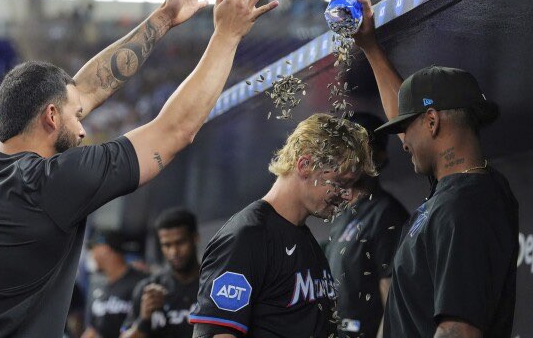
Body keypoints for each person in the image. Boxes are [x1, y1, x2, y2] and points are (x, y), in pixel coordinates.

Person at [0, 0, 278, 337]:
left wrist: (164, 17)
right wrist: (228, 35)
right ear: (51, 116)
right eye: (76, 115)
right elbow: (176, 130)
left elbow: (83, 89)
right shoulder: (51, 184)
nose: (84, 127)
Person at [346, 0, 519, 337]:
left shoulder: (467, 206)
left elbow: (458, 330)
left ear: (432, 121)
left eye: (406, 128)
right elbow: (407, 112)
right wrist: (370, 47)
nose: (401, 140)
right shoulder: (454, 188)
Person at [189, 113, 378, 338]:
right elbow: (217, 333)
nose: (346, 195)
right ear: (305, 165)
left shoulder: (306, 240)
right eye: (340, 183)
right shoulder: (246, 237)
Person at [324, 113, 408, 338]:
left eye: (356, 147)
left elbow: (394, 308)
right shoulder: (341, 215)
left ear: (378, 157)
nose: (345, 156)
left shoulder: (387, 215)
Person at [121, 208, 200, 338]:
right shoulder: (148, 289)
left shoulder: (212, 284)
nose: (174, 252)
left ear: (195, 238)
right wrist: (144, 319)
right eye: (167, 245)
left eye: (180, 242)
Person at [82, 231, 148, 338]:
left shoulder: (140, 283)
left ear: (105, 249)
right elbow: (93, 329)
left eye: (94, 249)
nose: (92, 255)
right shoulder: (101, 289)